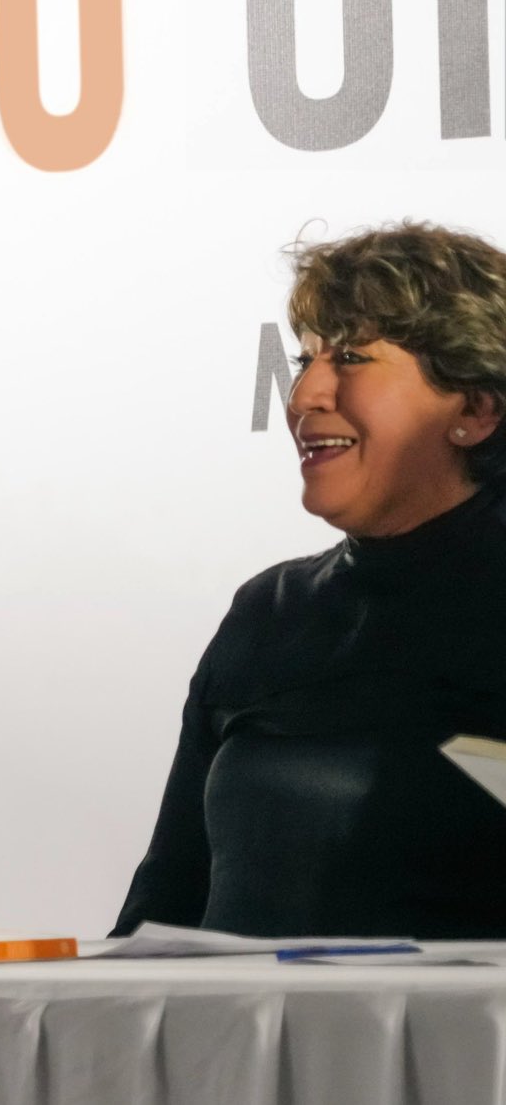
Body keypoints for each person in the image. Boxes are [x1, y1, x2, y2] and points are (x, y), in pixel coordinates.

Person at [115, 222, 506, 938]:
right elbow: (165, 903)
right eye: (306, 359)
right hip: (239, 1042)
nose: (303, 394)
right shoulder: (270, 610)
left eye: (352, 356)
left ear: (476, 409)